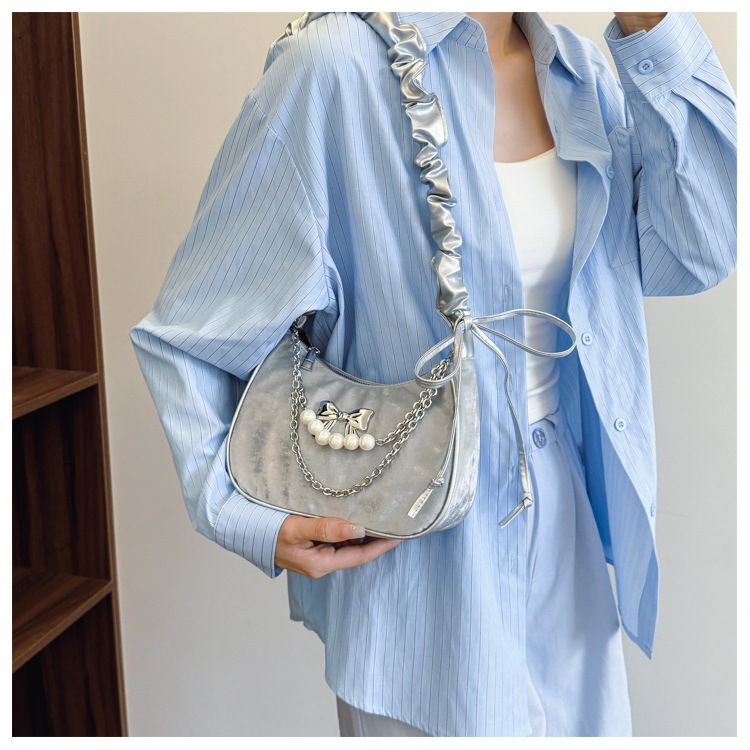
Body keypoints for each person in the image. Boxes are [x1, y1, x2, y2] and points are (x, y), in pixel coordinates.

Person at [130, 12, 736, 737]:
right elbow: (189, 334)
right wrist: (245, 516)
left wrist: (652, 23)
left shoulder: (582, 78)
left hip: (568, 532)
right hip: (415, 568)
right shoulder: (334, 68)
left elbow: (700, 246)